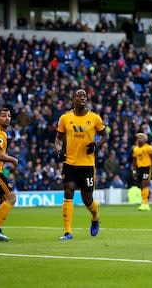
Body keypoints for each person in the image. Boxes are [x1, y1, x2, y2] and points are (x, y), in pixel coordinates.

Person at [55, 89, 107, 240]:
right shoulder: (65, 118)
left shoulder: (95, 118)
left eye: (84, 95)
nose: (82, 98)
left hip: (87, 165)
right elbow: (58, 139)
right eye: (78, 95)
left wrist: (97, 145)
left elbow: (105, 135)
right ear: (73, 99)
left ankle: (95, 217)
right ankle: (67, 232)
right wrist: (58, 151)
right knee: (68, 191)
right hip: (70, 163)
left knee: (87, 198)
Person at [0, 108, 18, 241]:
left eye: (9, 116)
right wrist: (13, 159)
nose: (7, 118)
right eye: (4, 116)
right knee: (11, 198)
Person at [132, 132, 152, 211]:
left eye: (141, 138)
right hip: (139, 169)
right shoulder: (135, 149)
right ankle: (144, 202)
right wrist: (134, 171)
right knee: (141, 186)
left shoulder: (149, 148)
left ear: (145, 139)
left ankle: (145, 203)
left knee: (144, 183)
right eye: (138, 138)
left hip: (147, 167)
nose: (140, 139)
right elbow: (134, 161)